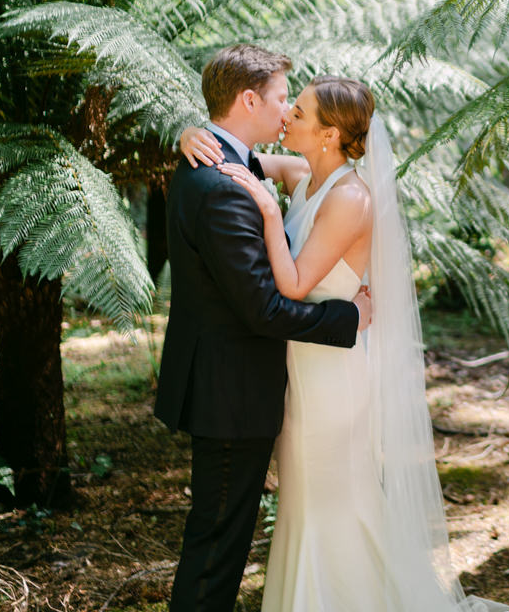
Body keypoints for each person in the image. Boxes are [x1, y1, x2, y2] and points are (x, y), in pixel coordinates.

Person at [179, 75, 509, 612]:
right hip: (300, 369)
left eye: (302, 112)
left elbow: (291, 285)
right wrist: (191, 132)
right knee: (304, 505)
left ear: (330, 135)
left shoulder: (350, 198)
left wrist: (267, 213)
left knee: (334, 502)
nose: (287, 114)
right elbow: (239, 159)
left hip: (332, 380)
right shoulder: (304, 175)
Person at [155, 45, 372, 612]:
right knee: (216, 548)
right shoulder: (224, 183)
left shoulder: (232, 165)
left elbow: (288, 178)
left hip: (244, 385)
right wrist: (347, 318)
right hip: (232, 390)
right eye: (283, 100)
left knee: (219, 539)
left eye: (297, 108)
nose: (286, 114)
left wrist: (188, 133)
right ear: (249, 99)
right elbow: (265, 309)